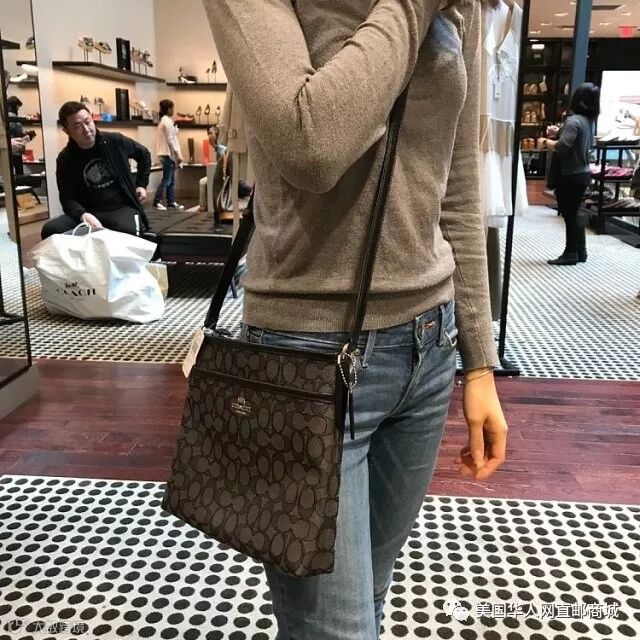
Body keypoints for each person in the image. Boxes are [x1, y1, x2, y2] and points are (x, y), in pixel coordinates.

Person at [203, 0, 509, 638]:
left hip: (427, 347)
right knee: (334, 628)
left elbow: (457, 184)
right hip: (305, 353)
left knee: (367, 599)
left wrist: (479, 361)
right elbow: (310, 145)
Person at [41, 101, 151, 240]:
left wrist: (141, 184)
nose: (86, 129)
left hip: (121, 207)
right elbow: (67, 198)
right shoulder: (65, 158)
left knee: (128, 233)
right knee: (51, 230)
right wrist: (83, 215)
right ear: (67, 131)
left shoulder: (114, 141)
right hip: (89, 211)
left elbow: (144, 154)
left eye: (88, 122)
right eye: (77, 126)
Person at [540, 82, 600, 265]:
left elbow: (563, 146)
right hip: (582, 173)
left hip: (570, 174)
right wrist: (560, 131)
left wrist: (545, 142)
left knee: (570, 214)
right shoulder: (589, 121)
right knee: (575, 213)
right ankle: (580, 251)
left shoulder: (574, 121)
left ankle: (571, 252)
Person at [153, 99, 184, 211]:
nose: (173, 110)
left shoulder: (165, 121)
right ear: (169, 109)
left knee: (171, 180)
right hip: (167, 154)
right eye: (172, 108)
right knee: (167, 180)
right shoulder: (167, 121)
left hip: (166, 154)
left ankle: (171, 202)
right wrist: (177, 154)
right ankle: (157, 201)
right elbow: (170, 140)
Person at [198, 125, 226, 211]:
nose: (209, 136)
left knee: (203, 182)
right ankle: (204, 206)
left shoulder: (220, 148)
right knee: (204, 182)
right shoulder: (218, 148)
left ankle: (203, 207)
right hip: (220, 174)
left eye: (211, 133)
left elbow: (224, 162)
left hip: (223, 176)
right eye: (208, 133)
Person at [7, 96, 28, 175]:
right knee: (19, 174)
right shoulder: (13, 117)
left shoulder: (5, 118)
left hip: (8, 151)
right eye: (18, 106)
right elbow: (20, 133)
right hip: (16, 149)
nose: (18, 109)